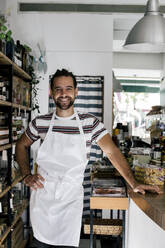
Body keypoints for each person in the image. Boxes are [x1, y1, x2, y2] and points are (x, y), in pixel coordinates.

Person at [16, 68, 162, 248]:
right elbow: (21, 145)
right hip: (44, 199)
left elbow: (113, 153)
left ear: (76, 92)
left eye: (68, 89)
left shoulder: (90, 123)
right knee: (40, 243)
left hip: (70, 201)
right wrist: (26, 174)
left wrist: (133, 184)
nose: (63, 94)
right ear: (51, 92)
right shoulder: (40, 122)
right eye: (58, 89)